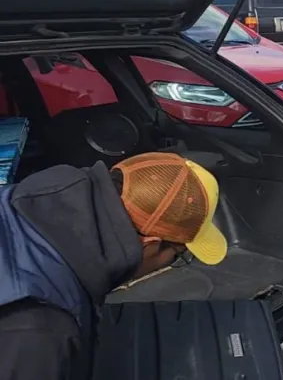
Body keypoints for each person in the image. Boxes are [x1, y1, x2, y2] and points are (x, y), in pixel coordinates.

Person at [0, 152, 228, 380]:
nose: (170, 264)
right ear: (149, 245)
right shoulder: (41, 335)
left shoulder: (19, 201)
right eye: (179, 255)